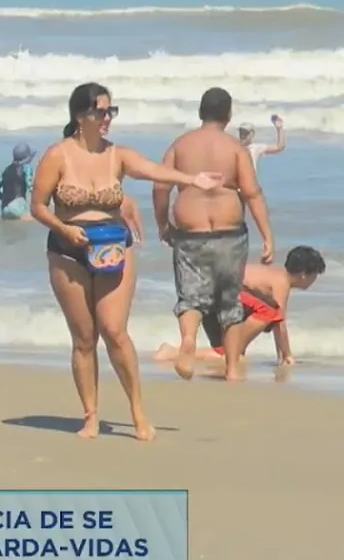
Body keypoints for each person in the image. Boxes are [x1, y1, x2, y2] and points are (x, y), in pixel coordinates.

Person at [32, 82, 223, 442]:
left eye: (110, 112)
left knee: (115, 331)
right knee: (84, 338)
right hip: (67, 248)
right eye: (101, 112)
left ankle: (137, 412)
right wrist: (64, 229)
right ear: (80, 116)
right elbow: (37, 206)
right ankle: (90, 416)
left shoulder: (117, 154)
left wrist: (191, 179)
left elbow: (152, 171)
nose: (107, 119)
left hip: (113, 247)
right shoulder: (58, 155)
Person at [153, 87, 275, 382]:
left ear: (200, 112)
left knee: (191, 297)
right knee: (229, 302)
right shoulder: (235, 149)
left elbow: (160, 186)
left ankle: (188, 340)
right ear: (228, 114)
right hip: (230, 234)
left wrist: (163, 224)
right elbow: (252, 193)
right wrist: (267, 235)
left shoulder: (180, 145)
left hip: (190, 233)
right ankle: (232, 369)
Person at [154, 245, 325, 366]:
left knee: (229, 354)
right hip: (219, 297)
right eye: (314, 275)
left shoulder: (273, 273)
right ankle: (172, 353)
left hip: (212, 293)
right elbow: (279, 323)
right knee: (269, 314)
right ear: (303, 275)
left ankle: (175, 353)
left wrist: (281, 356)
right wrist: (286, 356)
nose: (314, 280)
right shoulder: (282, 281)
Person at [0, 142, 36, 220]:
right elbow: (31, 187)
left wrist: (5, 199)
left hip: (5, 208)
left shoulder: (5, 170)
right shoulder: (27, 168)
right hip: (19, 207)